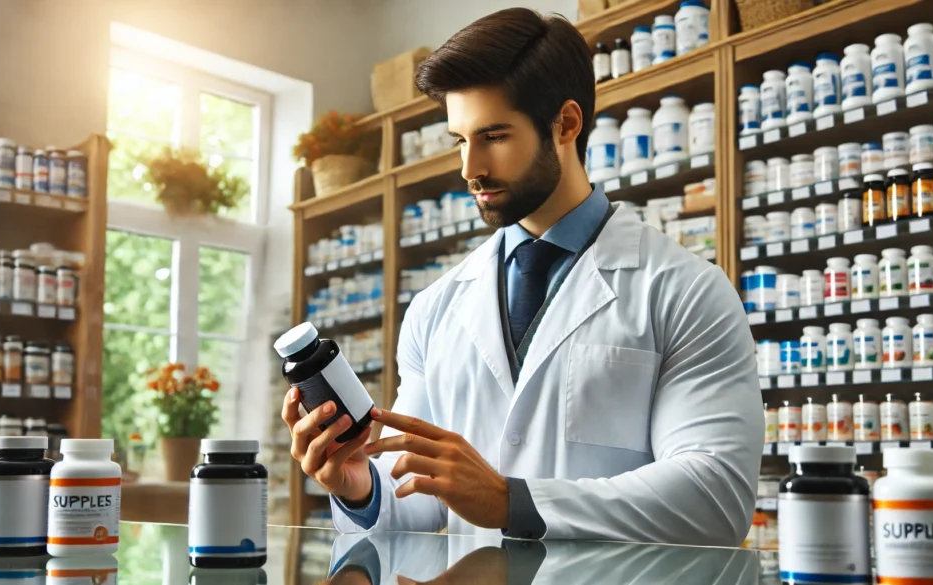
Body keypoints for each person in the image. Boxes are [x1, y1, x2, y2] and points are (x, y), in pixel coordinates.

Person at [282, 7, 763, 544]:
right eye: (460, 140)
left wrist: (513, 501)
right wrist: (359, 487)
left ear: (567, 124)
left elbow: (716, 497)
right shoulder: (434, 309)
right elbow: (414, 504)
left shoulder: (685, 291)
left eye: (493, 136)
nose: (470, 169)